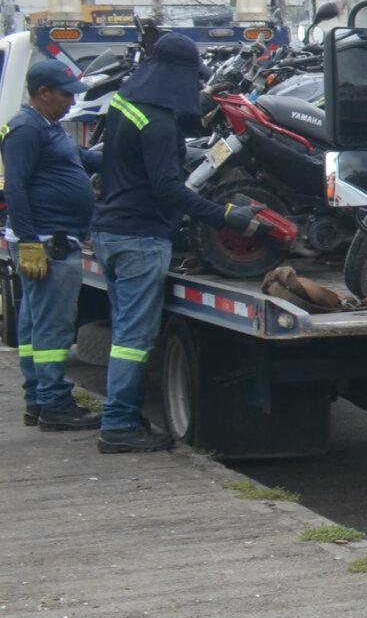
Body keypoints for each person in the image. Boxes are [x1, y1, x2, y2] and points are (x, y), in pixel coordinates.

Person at [91, 34, 264, 453]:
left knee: (124, 332)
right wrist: (224, 215)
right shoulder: (158, 124)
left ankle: (125, 415)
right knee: (134, 338)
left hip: (109, 231)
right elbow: (168, 188)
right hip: (139, 239)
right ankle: (118, 425)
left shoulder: (125, 104)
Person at [4, 56, 99, 432]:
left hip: (49, 239)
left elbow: (82, 159)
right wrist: (29, 241)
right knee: (53, 327)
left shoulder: (49, 126)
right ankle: (55, 404)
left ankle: (38, 399)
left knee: (35, 323)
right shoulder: (26, 129)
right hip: (47, 242)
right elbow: (15, 187)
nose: (72, 102)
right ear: (43, 93)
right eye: (65, 94)